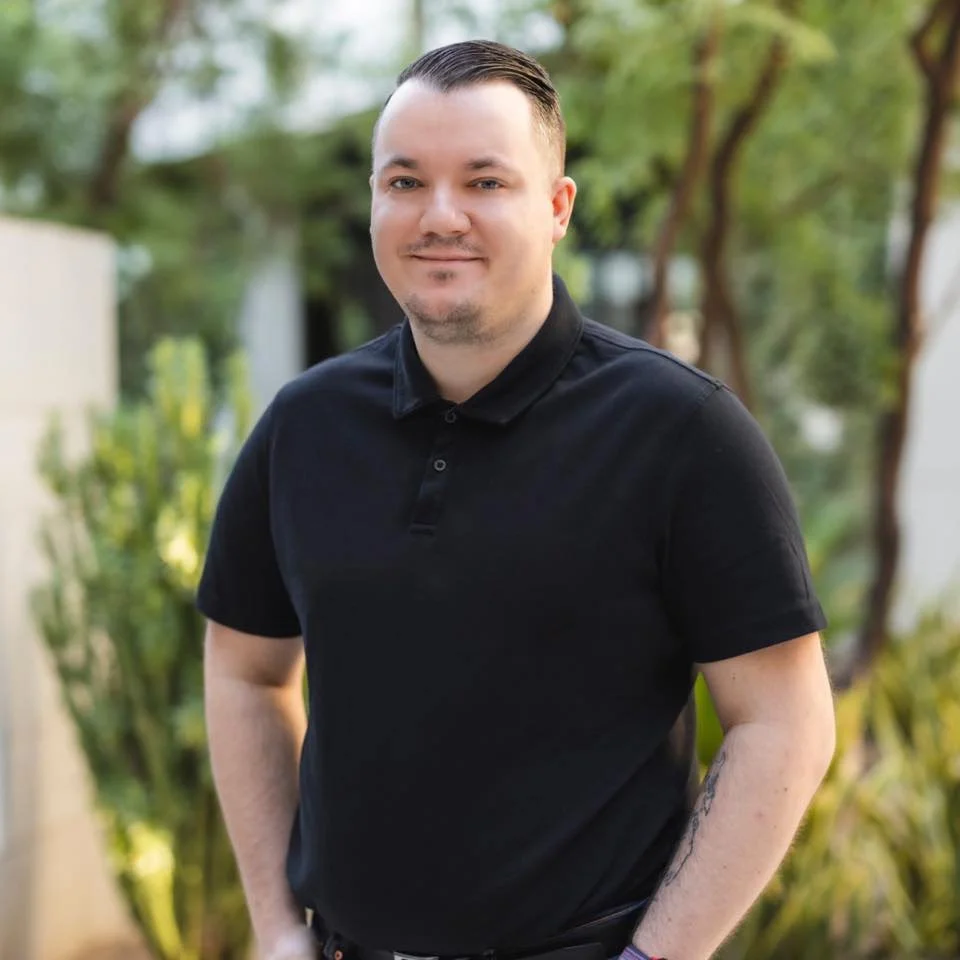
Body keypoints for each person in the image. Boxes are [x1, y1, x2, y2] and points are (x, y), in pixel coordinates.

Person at [198, 39, 836, 960]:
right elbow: (245, 670)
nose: (439, 215)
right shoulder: (304, 426)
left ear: (557, 206)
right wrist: (275, 930)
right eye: (405, 181)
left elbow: (784, 721)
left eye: (485, 181)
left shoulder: (682, 432)